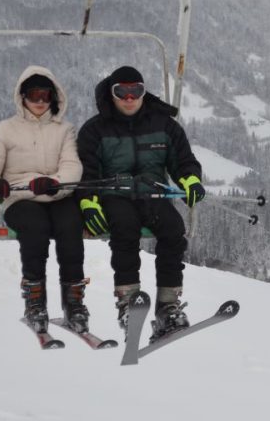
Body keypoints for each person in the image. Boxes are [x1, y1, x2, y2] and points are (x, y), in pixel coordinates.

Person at [76, 65, 205, 339]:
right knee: (124, 229)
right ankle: (128, 301)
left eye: (136, 91)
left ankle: (168, 305)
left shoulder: (164, 126)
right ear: (112, 94)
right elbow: (86, 172)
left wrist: (190, 179)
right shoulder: (95, 130)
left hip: (152, 192)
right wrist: (88, 201)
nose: (129, 98)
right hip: (115, 194)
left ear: (144, 93)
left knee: (172, 229)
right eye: (122, 91)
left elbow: (183, 161)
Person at [0, 65, 89, 334]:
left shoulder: (64, 129)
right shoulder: (6, 130)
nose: (39, 102)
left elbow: (72, 166)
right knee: (35, 228)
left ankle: (74, 302)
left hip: (56, 195)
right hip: (20, 199)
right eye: (33, 95)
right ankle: (35, 301)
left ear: (54, 98)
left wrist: (55, 183)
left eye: (46, 95)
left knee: (70, 226)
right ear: (22, 97)